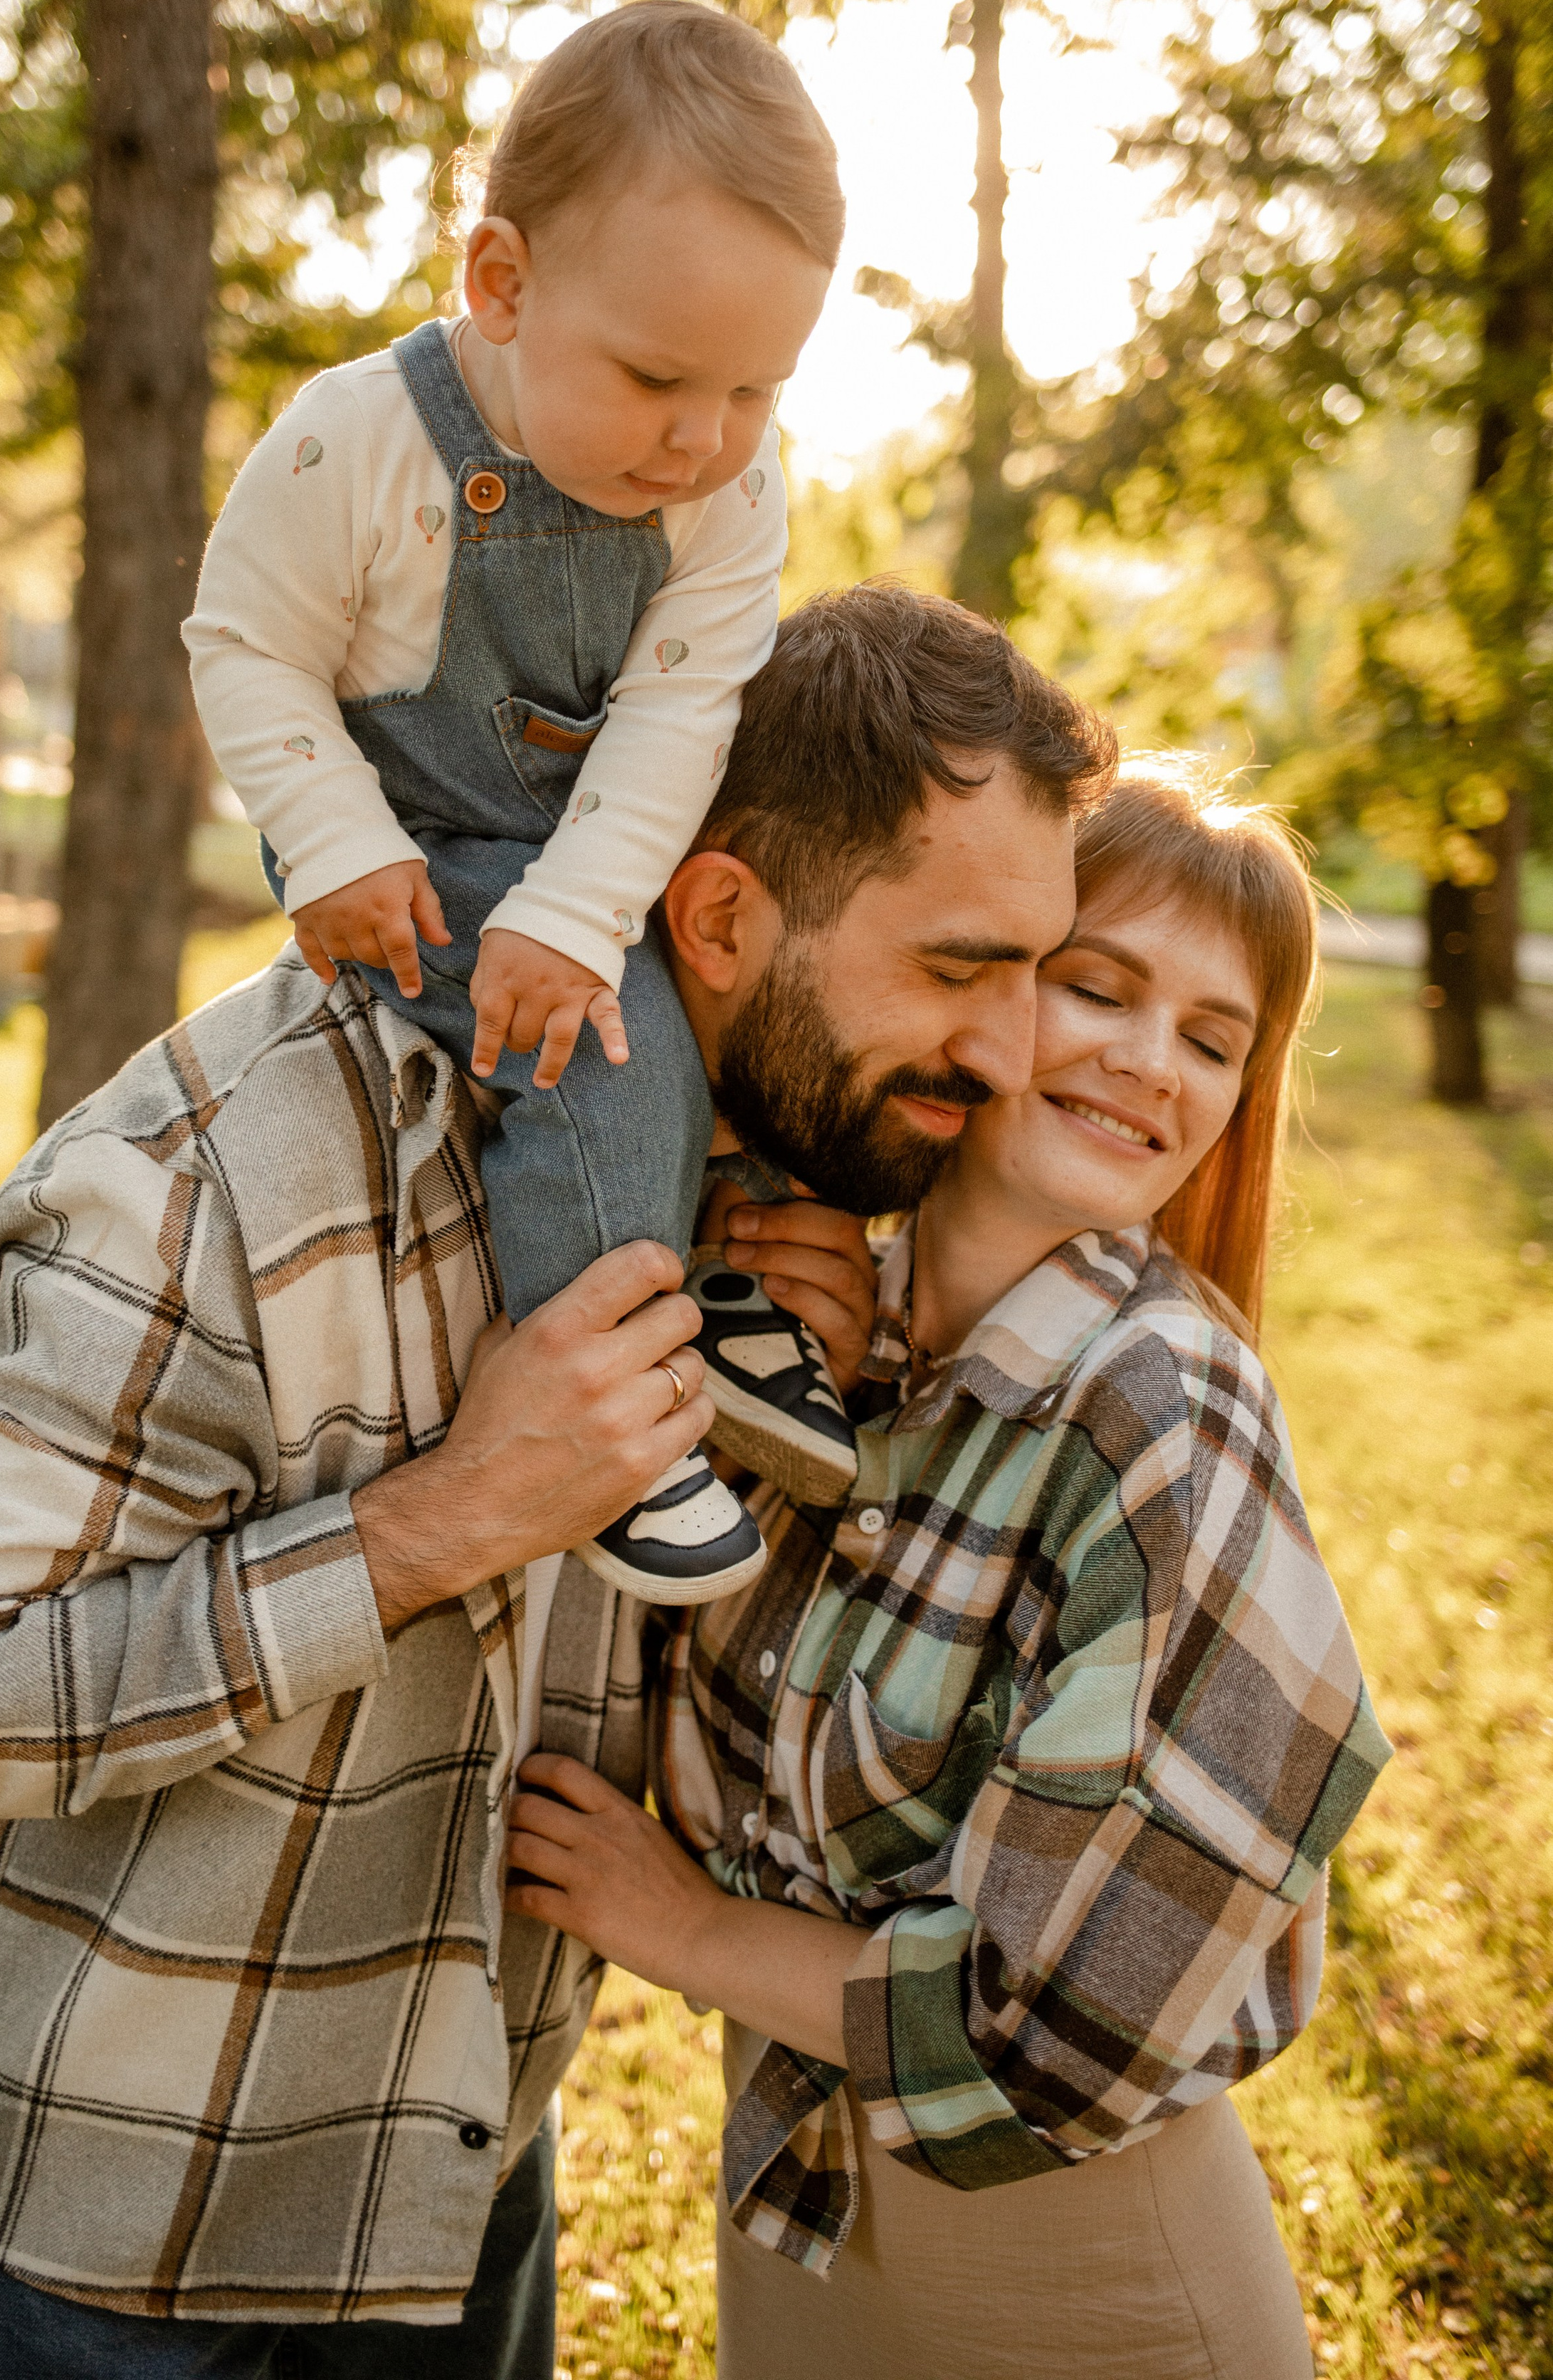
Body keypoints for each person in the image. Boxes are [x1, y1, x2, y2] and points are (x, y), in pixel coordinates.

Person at [0, 583, 1112, 2375]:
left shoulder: (760, 1207)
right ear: (720, 914)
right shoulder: (213, 1177)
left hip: (462, 2188)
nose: (1006, 1059)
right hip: (115, 2239)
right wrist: (441, 1517)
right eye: (956, 971)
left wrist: (780, 1422)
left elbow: (673, 1707)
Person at [507, 755, 1393, 2380]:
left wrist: (685, 1931)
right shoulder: (826, 1326)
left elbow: (1064, 2038)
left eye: (1209, 1040)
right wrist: (808, 1389)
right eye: (1098, 989)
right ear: (979, 1003)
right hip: (799, 2214)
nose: (1149, 1064)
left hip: (1076, 2272)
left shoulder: (1161, 1426)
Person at [187, 0, 851, 1605]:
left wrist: (579, 903)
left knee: (750, 956)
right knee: (592, 1039)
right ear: (501, 281)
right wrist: (341, 849)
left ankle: (718, 1265)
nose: (705, 439)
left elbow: (683, 705)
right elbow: (247, 644)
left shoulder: (724, 487)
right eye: (655, 379)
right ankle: (616, 1403)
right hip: (406, 854)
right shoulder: (355, 441)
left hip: (589, 842)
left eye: (755, 391)